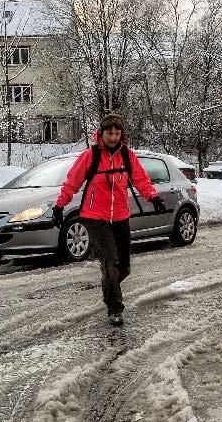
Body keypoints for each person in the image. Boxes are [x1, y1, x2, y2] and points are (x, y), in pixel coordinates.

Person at [51, 114, 166, 326]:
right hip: (95, 217)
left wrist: (153, 196)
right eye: (109, 133)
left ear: (121, 134)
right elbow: (72, 182)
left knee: (124, 268)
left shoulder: (127, 156)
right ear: (101, 134)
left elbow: (141, 179)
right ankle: (115, 308)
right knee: (111, 263)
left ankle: (109, 286)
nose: (113, 137)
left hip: (120, 216)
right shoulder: (91, 155)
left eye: (116, 133)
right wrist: (60, 205)